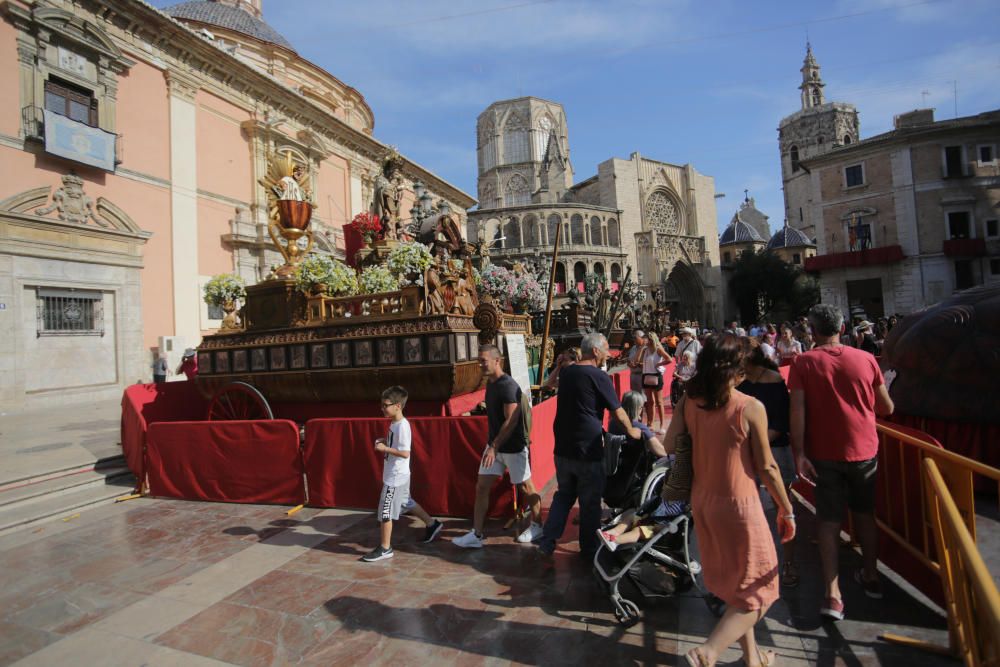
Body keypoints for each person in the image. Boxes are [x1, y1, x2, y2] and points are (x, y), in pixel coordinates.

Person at [667, 334, 795, 667]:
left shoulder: (689, 400)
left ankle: (752, 658)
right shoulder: (750, 407)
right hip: (740, 506)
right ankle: (707, 653)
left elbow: (669, 444)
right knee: (761, 590)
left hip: (703, 500)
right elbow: (767, 466)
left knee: (736, 586)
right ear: (738, 370)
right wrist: (787, 508)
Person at [789, 304, 894, 621]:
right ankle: (871, 575)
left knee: (829, 522)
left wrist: (799, 454)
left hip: (824, 454)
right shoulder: (864, 358)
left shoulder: (804, 362)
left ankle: (833, 595)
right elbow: (886, 407)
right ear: (842, 327)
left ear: (812, 329)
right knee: (865, 515)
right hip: (864, 451)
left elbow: (798, 413)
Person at [537, 333, 642, 560]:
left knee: (564, 495)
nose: (607, 354)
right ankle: (589, 549)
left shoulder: (567, 373)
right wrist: (633, 431)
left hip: (563, 447)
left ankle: (548, 540)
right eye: (605, 350)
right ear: (595, 351)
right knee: (590, 502)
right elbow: (618, 410)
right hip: (588, 449)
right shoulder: (597, 376)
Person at [453, 345, 543, 547]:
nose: (480, 364)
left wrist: (494, 446)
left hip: (512, 447)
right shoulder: (491, 384)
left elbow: (511, 421)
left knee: (526, 487)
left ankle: (538, 526)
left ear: (497, 361)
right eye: (479, 360)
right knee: (482, 486)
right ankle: (476, 535)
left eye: (483, 360)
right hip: (494, 446)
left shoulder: (507, 385)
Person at [737, 338, 798, 588]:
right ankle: (751, 563)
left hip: (773, 450)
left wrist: (755, 445)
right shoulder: (739, 380)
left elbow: (780, 423)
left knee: (783, 508)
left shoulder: (773, 380)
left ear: (749, 357)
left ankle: (789, 563)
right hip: (747, 450)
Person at [362, 386, 443, 562]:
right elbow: (397, 446)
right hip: (399, 474)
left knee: (385, 511)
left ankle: (385, 548)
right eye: (382, 405)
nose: (382, 408)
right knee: (406, 501)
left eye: (386, 405)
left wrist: (385, 448)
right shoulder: (394, 423)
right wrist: (386, 441)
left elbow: (405, 452)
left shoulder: (403, 426)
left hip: (395, 476)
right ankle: (432, 524)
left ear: (398, 406)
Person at [609, 391, 668, 459]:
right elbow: (661, 451)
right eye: (641, 407)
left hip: (616, 462)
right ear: (638, 409)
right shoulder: (640, 428)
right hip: (636, 465)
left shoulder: (612, 423)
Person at [640, 333, 671, 430]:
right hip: (646, 375)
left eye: (646, 339)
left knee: (659, 402)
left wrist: (659, 364)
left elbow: (669, 359)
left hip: (656, 376)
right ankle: (650, 424)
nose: (644, 341)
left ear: (651, 340)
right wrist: (641, 349)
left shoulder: (658, 349)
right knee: (650, 402)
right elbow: (639, 361)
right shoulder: (645, 350)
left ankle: (662, 425)